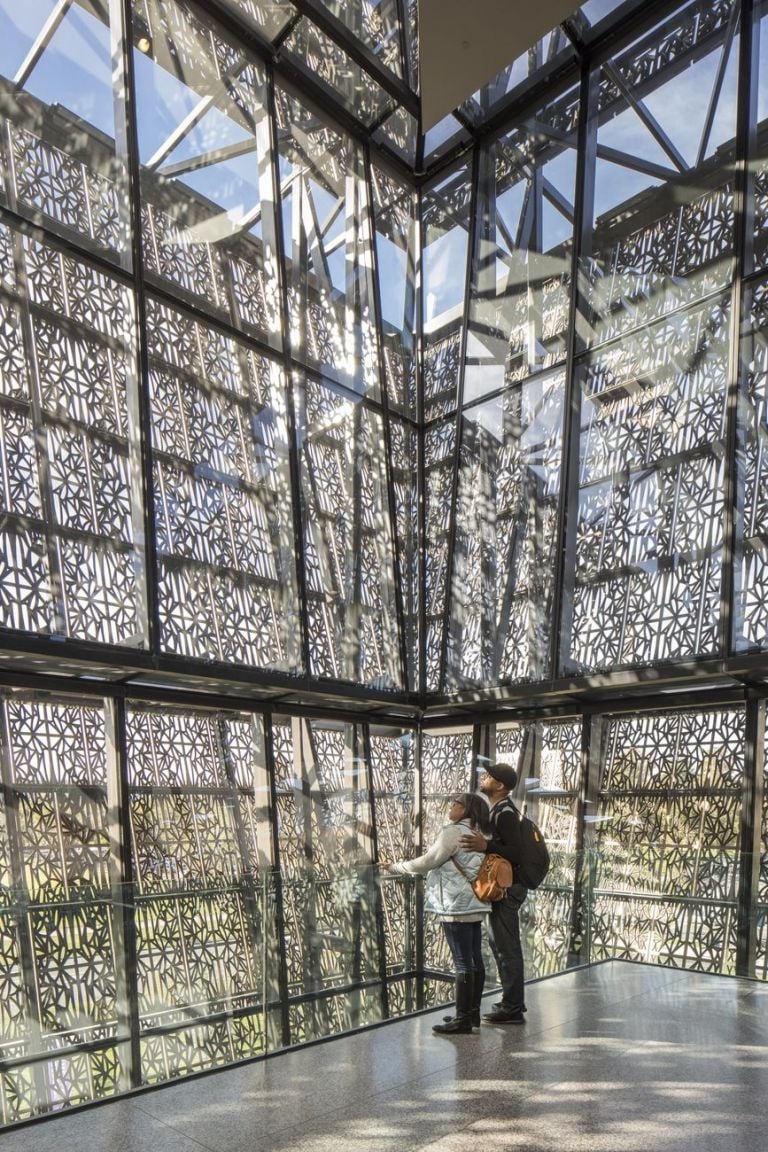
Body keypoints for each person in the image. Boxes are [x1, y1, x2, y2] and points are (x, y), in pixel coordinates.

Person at [380, 793, 490, 1034]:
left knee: (463, 963)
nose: (451, 806)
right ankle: (472, 1014)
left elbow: (428, 861)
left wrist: (395, 867)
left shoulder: (453, 832)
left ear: (467, 809)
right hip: (476, 901)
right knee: (474, 960)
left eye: (457, 803)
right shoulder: (483, 833)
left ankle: (462, 1019)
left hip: (455, 905)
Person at [460, 763, 528, 1024]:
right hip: (504, 887)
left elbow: (516, 852)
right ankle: (511, 1003)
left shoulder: (505, 813)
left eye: (489, 776)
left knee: (506, 946)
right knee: (500, 944)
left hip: (507, 889)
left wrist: (485, 844)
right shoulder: (500, 810)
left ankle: (512, 1007)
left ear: (500, 786)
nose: (483, 778)